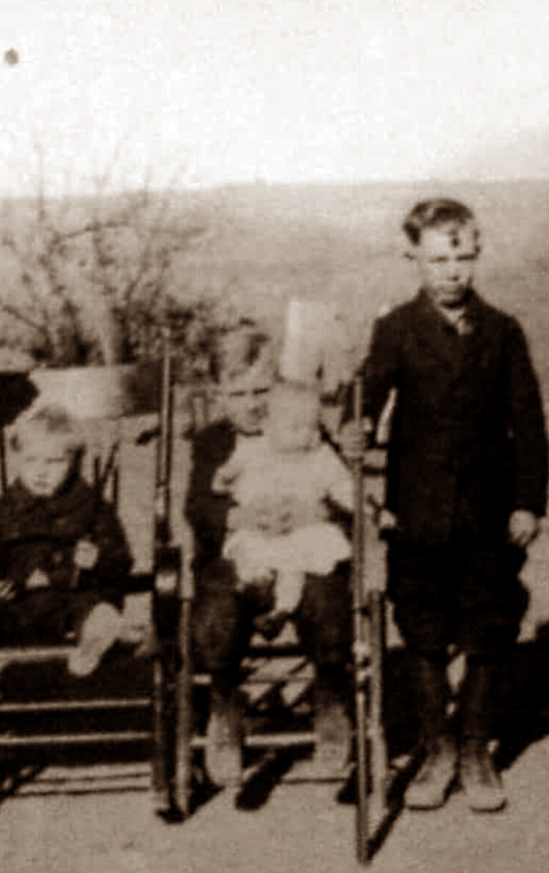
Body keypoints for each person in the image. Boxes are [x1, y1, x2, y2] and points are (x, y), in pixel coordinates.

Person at [353, 197, 549, 813]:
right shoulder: (396, 330)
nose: (452, 271)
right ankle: (435, 749)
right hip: (415, 514)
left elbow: (530, 426)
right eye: (438, 258)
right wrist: (355, 423)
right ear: (413, 257)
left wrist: (527, 502)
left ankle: (476, 749)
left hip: (488, 516)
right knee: (424, 631)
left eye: (463, 256)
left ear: (478, 252)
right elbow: (365, 397)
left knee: (489, 626)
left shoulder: (503, 331)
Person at [187, 325, 355, 788]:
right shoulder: (213, 443)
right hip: (239, 557)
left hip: (304, 548)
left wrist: (312, 508)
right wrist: (242, 517)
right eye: (237, 392)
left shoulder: (304, 428)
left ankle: (331, 697)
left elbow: (341, 491)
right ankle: (224, 704)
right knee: (218, 610)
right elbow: (199, 507)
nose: (252, 403)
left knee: (327, 600)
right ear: (219, 394)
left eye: (262, 389)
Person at [0, 402, 140, 676]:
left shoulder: (90, 505)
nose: (41, 471)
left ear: (75, 462)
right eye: (31, 460)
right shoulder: (10, 504)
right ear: (18, 458)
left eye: (54, 462)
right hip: (18, 600)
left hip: (70, 596)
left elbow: (120, 561)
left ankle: (96, 635)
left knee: (91, 605)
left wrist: (98, 558)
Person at [215, 378, 354, 638]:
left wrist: (351, 504)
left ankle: (282, 609)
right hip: (260, 527)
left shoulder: (321, 455)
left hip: (301, 533)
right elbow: (226, 477)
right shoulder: (255, 449)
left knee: (295, 566)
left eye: (312, 427)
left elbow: (342, 486)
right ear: (269, 427)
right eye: (296, 428)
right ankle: (252, 579)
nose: (309, 434)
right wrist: (225, 479)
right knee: (246, 547)